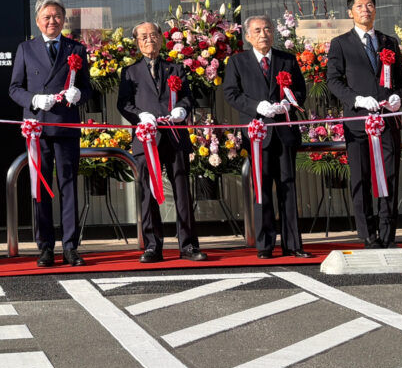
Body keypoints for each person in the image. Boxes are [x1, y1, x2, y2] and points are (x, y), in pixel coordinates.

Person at [8, 0, 92, 267]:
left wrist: (79, 94)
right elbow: (14, 88)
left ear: (64, 19)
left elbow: (88, 87)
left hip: (66, 125)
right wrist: (34, 99)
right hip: (38, 128)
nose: (52, 21)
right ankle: (45, 247)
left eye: (57, 16)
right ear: (37, 21)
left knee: (68, 186)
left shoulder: (76, 49)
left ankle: (70, 247)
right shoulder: (26, 48)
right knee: (40, 188)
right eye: (47, 16)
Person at [117, 21, 207, 263]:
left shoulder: (175, 68)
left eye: (153, 35)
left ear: (161, 38)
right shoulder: (129, 72)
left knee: (182, 192)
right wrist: (140, 116)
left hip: (175, 136)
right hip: (146, 138)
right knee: (147, 193)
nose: (150, 40)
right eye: (144, 36)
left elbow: (187, 97)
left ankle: (188, 245)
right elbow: (123, 104)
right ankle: (152, 246)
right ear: (137, 42)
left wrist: (181, 110)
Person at [326, 0, 402, 249]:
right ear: (350, 12)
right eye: (360, 6)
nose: (365, 9)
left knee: (390, 177)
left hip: (387, 120)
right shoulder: (341, 43)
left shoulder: (389, 41)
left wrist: (397, 97)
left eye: (370, 5)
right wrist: (357, 99)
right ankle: (368, 234)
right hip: (358, 122)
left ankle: (388, 234)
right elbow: (333, 81)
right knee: (361, 179)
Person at [223, 14, 310, 259]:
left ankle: (293, 244)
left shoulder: (286, 59)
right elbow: (231, 93)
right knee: (261, 188)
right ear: (248, 36)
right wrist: (256, 107)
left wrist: (287, 104)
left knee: (288, 187)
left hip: (284, 131)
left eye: (268, 29)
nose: (264, 34)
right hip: (258, 133)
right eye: (258, 30)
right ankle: (265, 245)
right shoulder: (238, 61)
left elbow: (300, 91)